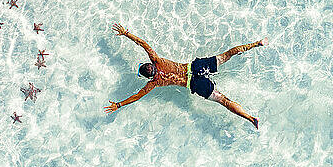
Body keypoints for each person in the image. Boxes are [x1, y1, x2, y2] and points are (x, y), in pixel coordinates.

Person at [103, 23, 268, 129]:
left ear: (147, 76)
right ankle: (256, 44)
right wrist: (126, 33)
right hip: (195, 67)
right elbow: (143, 44)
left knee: (224, 101)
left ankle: (250, 118)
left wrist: (119, 104)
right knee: (227, 55)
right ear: (151, 65)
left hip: (195, 84)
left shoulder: (153, 83)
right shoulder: (157, 60)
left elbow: (136, 97)